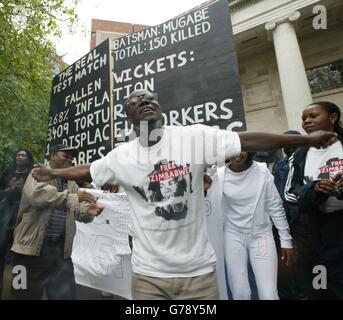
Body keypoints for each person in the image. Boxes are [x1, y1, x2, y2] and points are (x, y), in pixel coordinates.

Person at [32, 89, 336, 300]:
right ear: (128, 118)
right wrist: (53, 173)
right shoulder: (120, 158)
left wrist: (305, 139)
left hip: (199, 275)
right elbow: (86, 171)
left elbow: (247, 139)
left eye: (151, 98)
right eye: (137, 101)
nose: (146, 101)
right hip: (148, 276)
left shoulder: (193, 138)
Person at [11, 144, 103, 300]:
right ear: (53, 156)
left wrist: (88, 212)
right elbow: (38, 195)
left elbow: (77, 211)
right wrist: (73, 197)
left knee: (66, 296)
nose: (70, 159)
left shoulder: (71, 183)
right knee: (23, 294)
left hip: (60, 253)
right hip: (28, 251)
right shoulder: (37, 172)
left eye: (72, 157)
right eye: (65, 155)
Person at [207, 152, 293, 299]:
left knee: (269, 293)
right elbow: (209, 206)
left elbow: (275, 206)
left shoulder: (261, 171)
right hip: (232, 235)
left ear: (250, 150)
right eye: (233, 150)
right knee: (240, 292)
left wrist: (286, 240)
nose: (238, 155)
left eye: (243, 149)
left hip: (261, 235)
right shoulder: (219, 175)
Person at [285, 101, 343, 299]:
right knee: (324, 282)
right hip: (320, 227)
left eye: (313, 116)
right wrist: (315, 188)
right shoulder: (300, 154)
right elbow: (290, 194)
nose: (306, 122)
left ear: (333, 118)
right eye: (303, 119)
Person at [0, 149, 34, 298]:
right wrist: (10, 188)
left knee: (20, 254)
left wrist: (24, 189)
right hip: (6, 214)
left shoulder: (33, 173)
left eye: (23, 155)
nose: (20, 157)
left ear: (28, 158)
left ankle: (18, 290)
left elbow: (37, 193)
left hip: (25, 215)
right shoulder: (8, 172)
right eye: (18, 155)